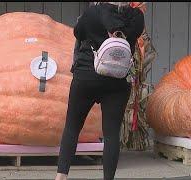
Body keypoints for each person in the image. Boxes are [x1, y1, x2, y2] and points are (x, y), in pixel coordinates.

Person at [55, 2, 144, 180]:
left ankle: (61, 176)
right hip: (117, 81)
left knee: (72, 127)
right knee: (111, 134)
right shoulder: (136, 17)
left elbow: (78, 33)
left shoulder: (92, 12)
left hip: (86, 76)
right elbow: (134, 36)